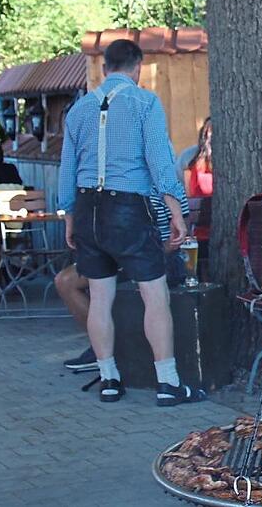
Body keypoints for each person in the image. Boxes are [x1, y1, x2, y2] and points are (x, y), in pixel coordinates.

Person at [58, 38, 204, 406]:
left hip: (89, 207)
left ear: (105, 68)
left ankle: (109, 379)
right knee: (154, 295)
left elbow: (67, 169)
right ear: (137, 68)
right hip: (128, 208)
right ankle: (168, 383)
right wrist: (176, 211)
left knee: (100, 297)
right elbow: (159, 161)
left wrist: (69, 216)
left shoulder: (79, 110)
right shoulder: (144, 102)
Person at [60, 193, 190, 371]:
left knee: (89, 283)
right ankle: (102, 348)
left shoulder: (167, 186)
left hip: (155, 258)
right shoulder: (113, 184)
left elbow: (179, 237)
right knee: (65, 280)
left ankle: (157, 368)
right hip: (117, 254)